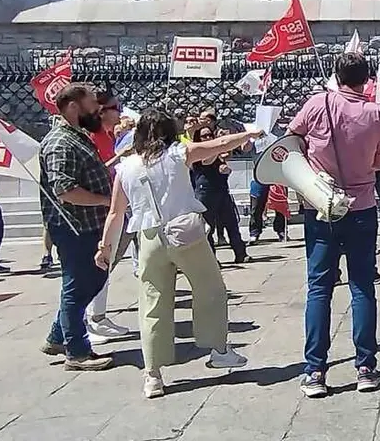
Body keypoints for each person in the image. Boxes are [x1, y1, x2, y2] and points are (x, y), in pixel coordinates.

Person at [95, 110, 257, 398]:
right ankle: (218, 349)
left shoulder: (126, 167)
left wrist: (104, 247)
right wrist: (247, 134)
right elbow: (218, 146)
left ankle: (152, 374)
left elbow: (115, 213)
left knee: (152, 303)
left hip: (148, 238)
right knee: (210, 289)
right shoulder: (177, 153)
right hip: (185, 232)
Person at [288, 52, 380, 398]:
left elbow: (290, 142)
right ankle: (365, 366)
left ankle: (314, 371)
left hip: (320, 206)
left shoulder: (317, 104)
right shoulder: (377, 113)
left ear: (336, 75)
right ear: (367, 80)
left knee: (319, 288)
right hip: (361, 206)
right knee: (362, 286)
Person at [38, 83, 115, 370]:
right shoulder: (61, 142)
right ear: (73, 106)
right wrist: (105, 200)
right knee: (77, 285)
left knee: (91, 280)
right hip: (73, 226)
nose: (97, 109)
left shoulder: (76, 136)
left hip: (86, 224)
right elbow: (65, 190)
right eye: (92, 103)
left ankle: (59, 336)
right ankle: (78, 351)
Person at [86, 89, 134, 343]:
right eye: (116, 107)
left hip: (117, 206)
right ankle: (90, 319)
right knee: (99, 263)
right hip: (101, 209)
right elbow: (93, 174)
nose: (121, 111)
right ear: (102, 111)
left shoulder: (110, 135)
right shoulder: (91, 138)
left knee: (107, 264)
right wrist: (119, 157)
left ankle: (98, 316)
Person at [191, 126, 248, 263]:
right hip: (205, 192)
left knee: (232, 223)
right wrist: (220, 147)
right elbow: (206, 161)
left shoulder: (217, 154)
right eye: (204, 136)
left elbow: (222, 167)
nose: (208, 138)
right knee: (208, 227)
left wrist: (226, 170)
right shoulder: (198, 151)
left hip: (221, 190)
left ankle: (240, 253)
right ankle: (211, 258)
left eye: (210, 135)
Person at [248, 178, 288, 243]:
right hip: (259, 177)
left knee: (280, 205)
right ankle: (254, 232)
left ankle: (281, 231)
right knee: (256, 207)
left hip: (277, 177)